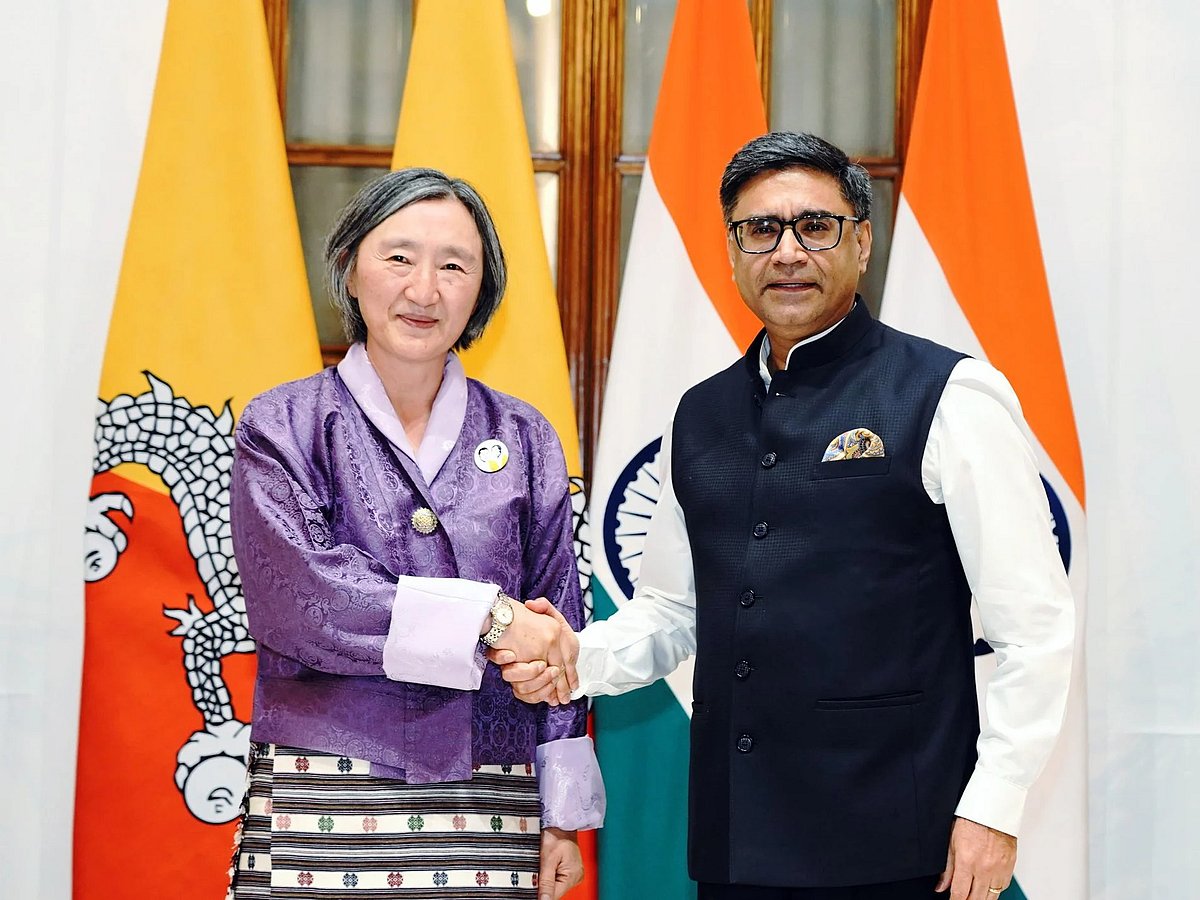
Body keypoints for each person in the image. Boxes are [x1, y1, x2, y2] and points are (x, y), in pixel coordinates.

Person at [493, 132, 1074, 900]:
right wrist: (574, 655)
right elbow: (671, 611)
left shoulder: (950, 396)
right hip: (738, 845)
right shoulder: (699, 414)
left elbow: (1036, 628)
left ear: (862, 243)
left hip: (904, 845)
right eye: (761, 230)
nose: (788, 251)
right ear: (733, 251)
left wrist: (995, 807)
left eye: (817, 226)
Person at [226, 167, 603, 900]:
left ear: (482, 290)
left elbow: (558, 618)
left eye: (454, 266)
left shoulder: (525, 436)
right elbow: (308, 600)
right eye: (399, 257)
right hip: (324, 790)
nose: (424, 290)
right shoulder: (282, 425)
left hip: (490, 792)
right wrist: (494, 619)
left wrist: (562, 815)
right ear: (350, 268)